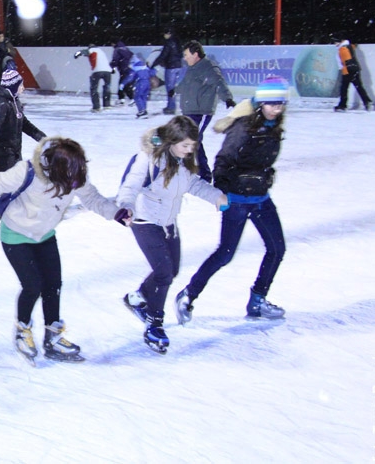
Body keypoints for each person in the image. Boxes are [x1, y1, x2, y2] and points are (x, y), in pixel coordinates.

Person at [0, 137, 121, 364]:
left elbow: (93, 198)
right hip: (16, 235)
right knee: (33, 286)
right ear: (55, 168)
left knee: (53, 285)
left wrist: (116, 213)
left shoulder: (75, 175)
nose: (76, 178)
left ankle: (53, 337)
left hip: (45, 234)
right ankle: (23, 329)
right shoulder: (27, 172)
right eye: (70, 172)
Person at [175, 77, 288, 325]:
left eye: (280, 104)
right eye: (271, 104)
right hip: (237, 199)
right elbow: (223, 159)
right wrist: (223, 191)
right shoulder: (244, 127)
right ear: (261, 103)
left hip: (261, 198)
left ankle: (257, 299)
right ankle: (187, 295)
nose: (276, 109)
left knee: (277, 248)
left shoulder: (275, 127)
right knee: (225, 254)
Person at [116, 115, 227, 354]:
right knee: (164, 273)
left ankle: (138, 296)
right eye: (185, 145)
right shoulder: (148, 159)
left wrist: (216, 197)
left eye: (192, 147)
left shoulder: (182, 160)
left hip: (168, 222)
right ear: (171, 140)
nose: (189, 150)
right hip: (145, 220)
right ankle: (154, 324)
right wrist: (125, 206)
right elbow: (130, 186)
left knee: (171, 270)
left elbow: (193, 184)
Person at [174, 40, 235, 182]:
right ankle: (202, 173)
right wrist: (174, 90)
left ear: (195, 54)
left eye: (186, 54)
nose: (185, 58)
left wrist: (227, 98)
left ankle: (202, 174)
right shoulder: (193, 67)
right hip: (190, 110)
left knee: (191, 140)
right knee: (192, 140)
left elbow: (219, 82)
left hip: (201, 111)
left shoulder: (208, 67)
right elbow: (186, 84)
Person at [0, 68, 45, 173]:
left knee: (17, 185)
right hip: (2, 157)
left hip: (14, 153)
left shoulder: (14, 101)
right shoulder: (1, 105)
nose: (23, 88)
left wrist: (43, 139)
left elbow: (25, 124)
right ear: (13, 86)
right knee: (7, 187)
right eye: (21, 85)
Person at [332, 36, 372, 112]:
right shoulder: (348, 46)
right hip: (354, 69)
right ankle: (367, 102)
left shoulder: (343, 48)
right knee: (358, 87)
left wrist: (347, 71)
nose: (335, 44)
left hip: (349, 71)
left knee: (344, 88)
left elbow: (347, 61)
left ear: (340, 41)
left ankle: (342, 105)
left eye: (335, 41)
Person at [151, 27, 183, 115]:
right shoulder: (177, 42)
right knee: (172, 88)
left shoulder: (169, 42)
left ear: (169, 34)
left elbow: (163, 55)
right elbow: (180, 54)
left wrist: (154, 64)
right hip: (178, 66)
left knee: (170, 88)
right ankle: (172, 106)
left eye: (165, 34)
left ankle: (171, 107)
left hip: (171, 67)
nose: (164, 36)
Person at [73, 44, 113, 112]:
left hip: (97, 71)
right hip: (108, 71)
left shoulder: (91, 50)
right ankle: (107, 105)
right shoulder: (101, 51)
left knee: (94, 89)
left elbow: (83, 52)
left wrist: (77, 54)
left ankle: (96, 107)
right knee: (107, 87)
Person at [120, 54, 157, 119]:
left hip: (140, 83)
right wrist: (154, 69)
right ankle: (144, 110)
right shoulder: (145, 67)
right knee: (144, 97)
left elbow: (130, 77)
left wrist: (123, 83)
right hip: (147, 83)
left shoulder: (134, 68)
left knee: (137, 97)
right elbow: (152, 73)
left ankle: (141, 111)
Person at [110, 39, 135, 105]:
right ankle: (126, 98)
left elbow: (115, 60)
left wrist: (112, 66)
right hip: (129, 68)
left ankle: (124, 99)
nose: (111, 45)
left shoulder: (117, 50)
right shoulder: (126, 49)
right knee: (126, 83)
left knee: (122, 84)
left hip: (123, 69)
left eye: (112, 44)